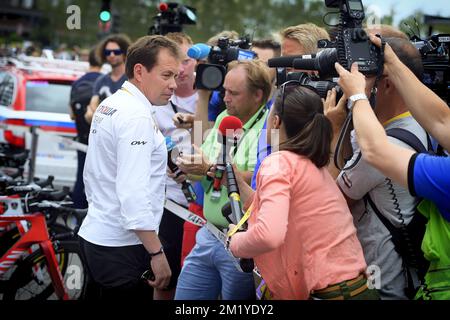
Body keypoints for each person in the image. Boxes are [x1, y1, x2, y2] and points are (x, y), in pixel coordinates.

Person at [227, 84, 376, 300]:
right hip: (354, 289)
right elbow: (281, 212)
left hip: (330, 293)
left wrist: (236, 243)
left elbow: (269, 235)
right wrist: (235, 182)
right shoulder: (311, 163)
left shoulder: (277, 163)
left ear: (276, 122)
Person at [335, 34, 450, 300]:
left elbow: (377, 151)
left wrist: (357, 96)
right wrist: (392, 62)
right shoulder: (420, 127)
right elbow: (442, 121)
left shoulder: (444, 176)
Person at [78, 35, 183, 300]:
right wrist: (157, 254)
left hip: (99, 234)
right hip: (122, 245)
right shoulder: (134, 114)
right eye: (166, 75)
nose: (173, 85)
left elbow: (99, 173)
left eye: (176, 76)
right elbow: (132, 194)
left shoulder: (112, 102)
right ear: (139, 71)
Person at [174, 59, 272, 300]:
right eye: (224, 91)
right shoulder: (223, 118)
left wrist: (208, 167)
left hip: (241, 239)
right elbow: (204, 163)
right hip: (208, 233)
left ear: (258, 95)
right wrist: (185, 167)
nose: (226, 98)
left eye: (234, 93)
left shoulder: (269, 128)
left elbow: (257, 178)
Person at [250, 24, 330, 189]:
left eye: (291, 60)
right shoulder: (281, 95)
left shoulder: (327, 107)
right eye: (282, 58)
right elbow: (269, 142)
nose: (284, 67)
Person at [151, 32, 198, 300]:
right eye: (174, 62)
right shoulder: (150, 101)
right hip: (166, 203)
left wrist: (197, 119)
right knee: (165, 281)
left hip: (204, 204)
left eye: (186, 60)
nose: (181, 69)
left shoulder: (212, 96)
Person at [69, 46, 102, 209]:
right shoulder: (105, 82)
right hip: (101, 142)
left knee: (81, 177)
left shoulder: (77, 82)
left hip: (82, 139)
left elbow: (72, 114)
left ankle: (76, 214)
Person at [85, 34, 131, 124]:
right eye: (108, 52)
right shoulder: (101, 80)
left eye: (116, 52)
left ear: (125, 53)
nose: (112, 55)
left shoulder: (132, 79)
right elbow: (93, 105)